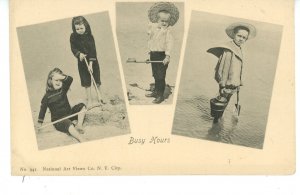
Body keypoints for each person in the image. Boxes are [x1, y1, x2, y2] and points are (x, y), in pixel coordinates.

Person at [207, 22, 257, 123]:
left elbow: (238, 68)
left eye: (244, 37)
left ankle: (218, 121)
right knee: (220, 104)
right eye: (239, 36)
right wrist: (222, 85)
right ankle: (216, 123)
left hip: (234, 83)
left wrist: (238, 82)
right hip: (226, 84)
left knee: (224, 103)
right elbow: (224, 68)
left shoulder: (238, 48)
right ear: (234, 34)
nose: (241, 39)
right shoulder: (229, 50)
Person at [37, 68, 87, 142]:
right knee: (68, 124)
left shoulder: (63, 89)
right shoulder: (47, 96)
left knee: (82, 106)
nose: (58, 82)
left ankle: (79, 125)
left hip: (69, 114)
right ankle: (80, 138)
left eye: (60, 80)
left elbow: (70, 79)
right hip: (59, 120)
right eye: (56, 80)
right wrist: (39, 123)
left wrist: (59, 76)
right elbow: (42, 110)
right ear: (50, 81)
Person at [145, 2, 179, 104]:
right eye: (162, 21)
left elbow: (169, 44)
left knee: (161, 76)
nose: (164, 23)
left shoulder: (168, 32)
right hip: (154, 54)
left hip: (162, 55)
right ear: (157, 20)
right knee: (155, 74)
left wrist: (167, 56)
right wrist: (149, 53)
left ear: (169, 22)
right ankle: (155, 91)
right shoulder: (155, 30)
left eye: (166, 21)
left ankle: (160, 95)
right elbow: (151, 41)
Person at [70, 16, 103, 107]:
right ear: (74, 28)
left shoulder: (90, 36)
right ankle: (89, 100)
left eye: (81, 28)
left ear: (86, 26)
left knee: (96, 79)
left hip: (93, 61)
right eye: (77, 29)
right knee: (86, 81)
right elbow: (73, 48)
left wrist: (91, 64)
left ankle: (100, 97)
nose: (80, 30)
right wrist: (79, 54)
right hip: (82, 62)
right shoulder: (73, 37)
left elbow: (93, 50)